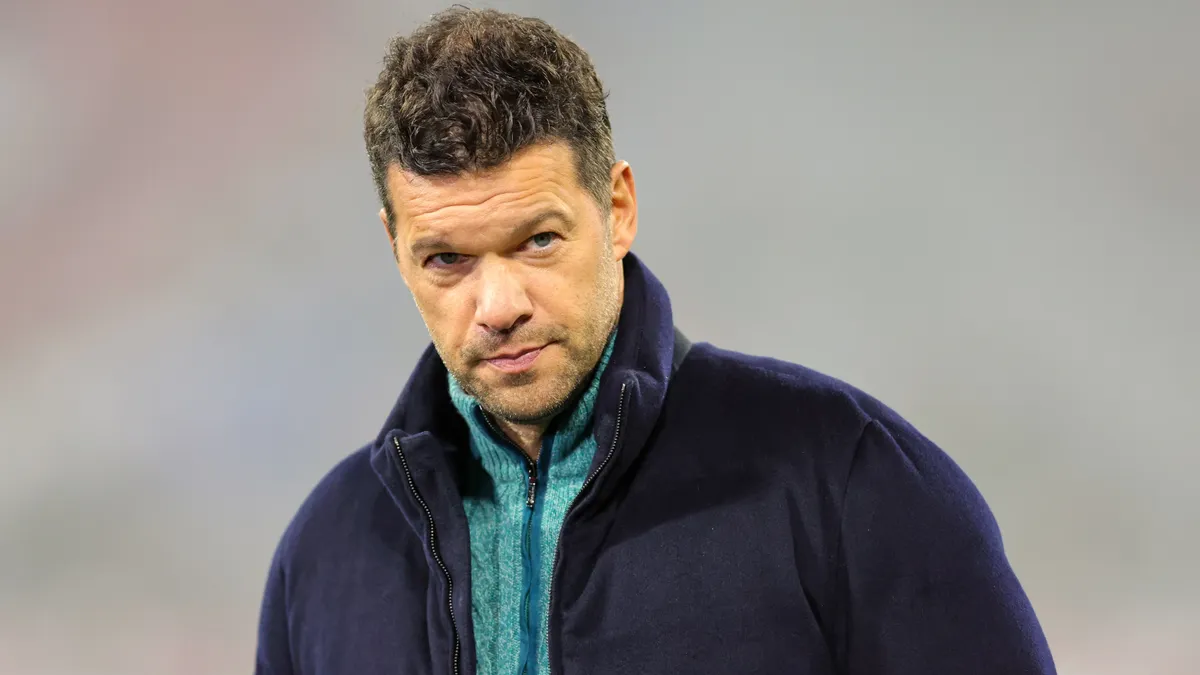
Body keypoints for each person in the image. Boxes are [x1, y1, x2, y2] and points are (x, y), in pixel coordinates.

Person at [254, 7, 1056, 675]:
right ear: (396, 249)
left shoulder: (848, 479)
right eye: (447, 260)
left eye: (538, 240)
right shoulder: (323, 557)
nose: (497, 305)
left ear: (619, 208)